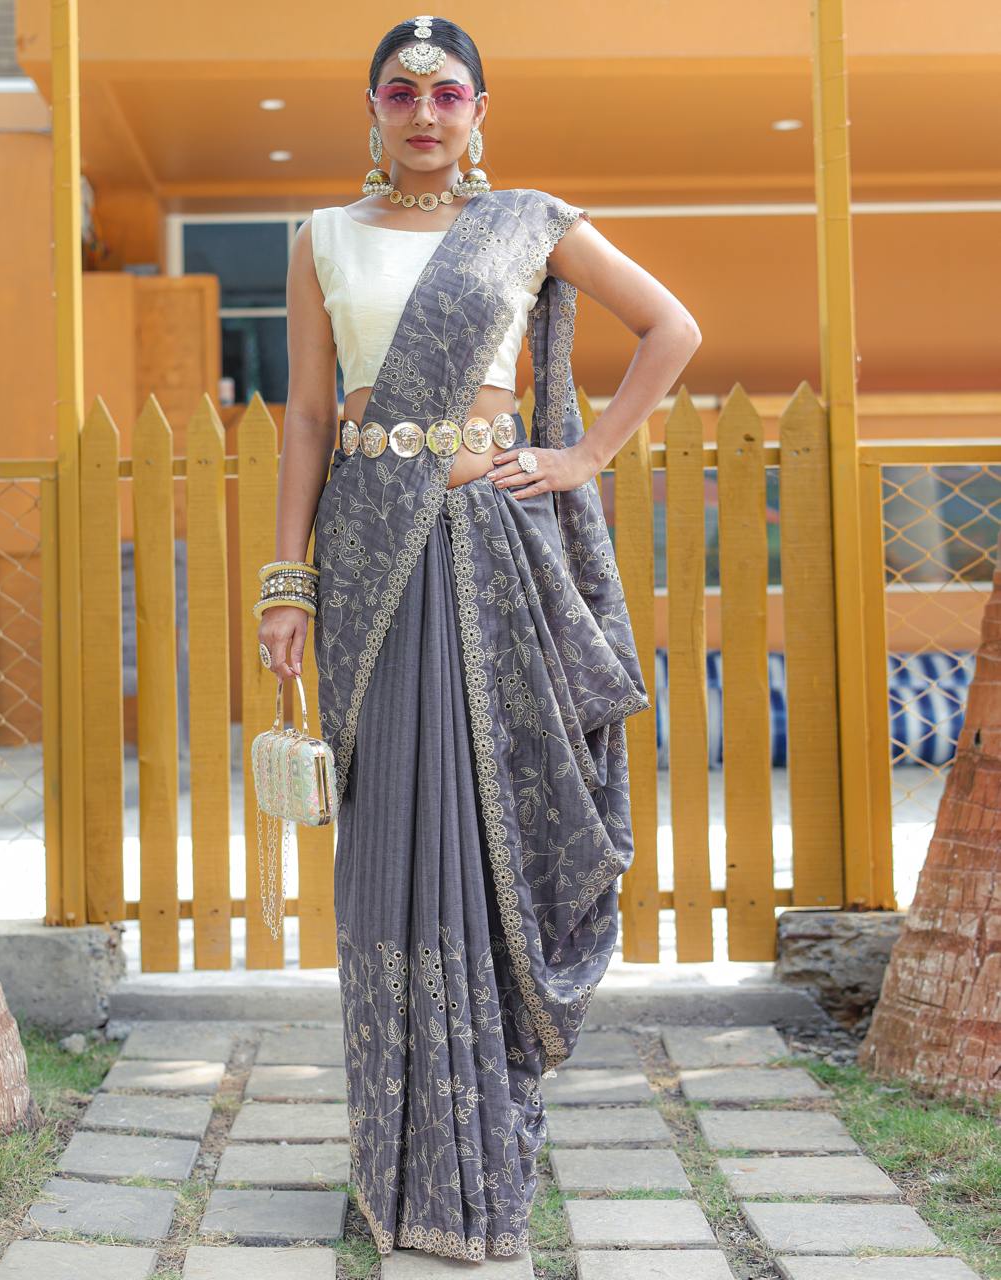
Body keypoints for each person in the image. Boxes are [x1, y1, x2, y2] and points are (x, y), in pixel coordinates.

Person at [255, 14, 702, 1263]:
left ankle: (478, 1152)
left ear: (478, 111)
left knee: (486, 819)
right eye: (399, 93)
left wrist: (581, 454)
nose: (423, 112)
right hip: (367, 560)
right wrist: (287, 581)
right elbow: (306, 418)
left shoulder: (526, 224)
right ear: (371, 110)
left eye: (446, 92)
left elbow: (670, 327)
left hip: (485, 549)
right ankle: (395, 1161)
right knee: (388, 839)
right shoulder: (320, 237)